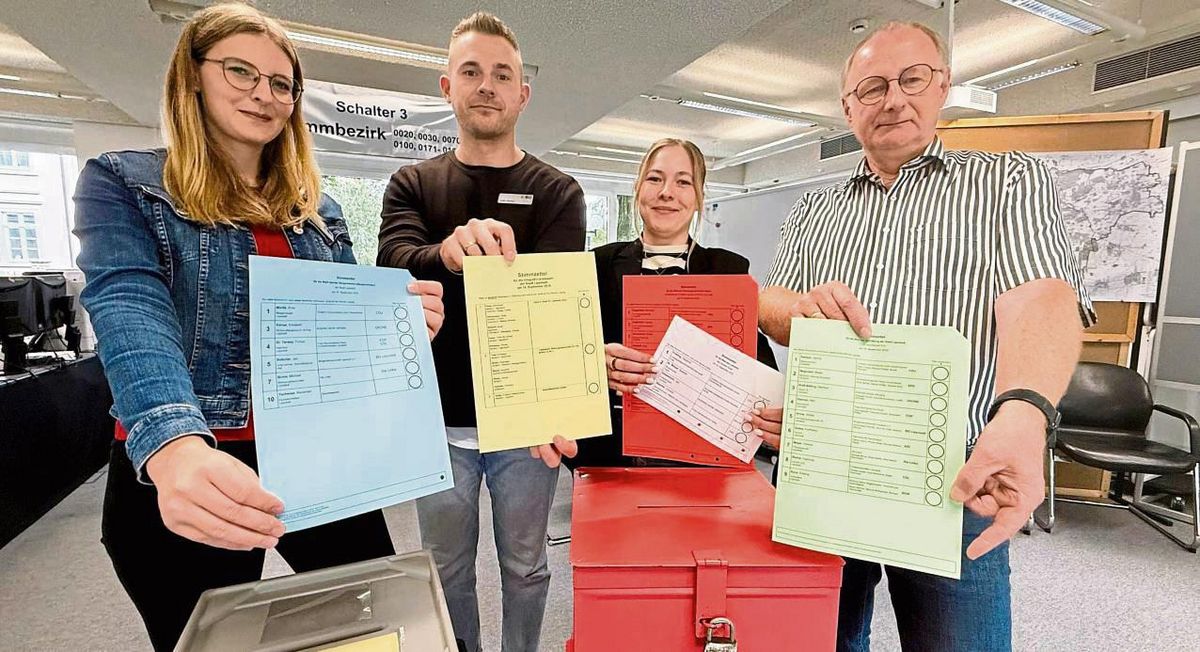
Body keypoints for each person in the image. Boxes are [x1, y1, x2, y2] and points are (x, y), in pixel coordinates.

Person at [72, 5, 444, 650]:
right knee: (206, 637)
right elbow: (129, 305)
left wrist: (396, 329)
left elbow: (337, 338)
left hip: (316, 456)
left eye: (281, 83)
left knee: (371, 624)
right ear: (192, 77)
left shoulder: (318, 210)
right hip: (194, 460)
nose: (263, 94)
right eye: (240, 71)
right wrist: (175, 444)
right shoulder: (125, 183)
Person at [757, 21, 1094, 652]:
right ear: (848, 107)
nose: (893, 99)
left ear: (943, 87)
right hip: (826, 476)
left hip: (956, 483)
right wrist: (798, 306)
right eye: (873, 86)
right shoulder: (812, 210)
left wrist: (1024, 414)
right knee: (812, 640)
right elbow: (773, 302)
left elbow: (1044, 298)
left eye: (912, 79)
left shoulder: (1009, 182)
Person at [375, 12, 584, 652]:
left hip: (524, 427)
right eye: (471, 72)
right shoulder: (412, 183)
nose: (486, 86)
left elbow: (552, 311)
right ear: (447, 87)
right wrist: (448, 251)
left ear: (523, 93)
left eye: (502, 75)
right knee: (445, 572)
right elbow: (393, 264)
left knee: (527, 567)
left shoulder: (558, 192)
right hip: (435, 425)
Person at [566, 138, 780, 469]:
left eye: (683, 181)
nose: (667, 192)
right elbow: (564, 357)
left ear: (698, 198)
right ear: (637, 188)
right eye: (654, 178)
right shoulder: (597, 265)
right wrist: (593, 363)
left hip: (700, 459)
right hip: (609, 455)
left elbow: (758, 367)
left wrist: (775, 415)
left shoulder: (727, 270)